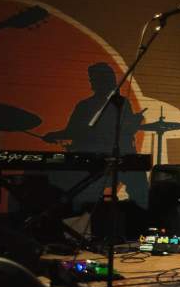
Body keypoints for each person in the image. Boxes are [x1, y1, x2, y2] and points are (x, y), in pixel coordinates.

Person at [43, 62, 149, 210]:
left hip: (112, 157)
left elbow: (73, 132)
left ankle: (137, 219)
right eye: (91, 78)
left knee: (138, 184)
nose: (91, 81)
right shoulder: (88, 105)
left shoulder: (118, 103)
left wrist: (53, 135)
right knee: (137, 183)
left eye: (94, 78)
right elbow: (74, 131)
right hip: (98, 159)